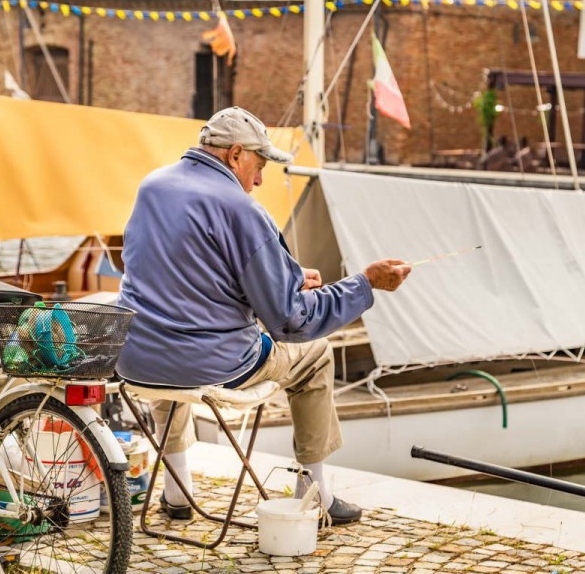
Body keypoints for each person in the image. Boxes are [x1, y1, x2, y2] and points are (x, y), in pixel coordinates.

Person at [116, 106, 412, 526]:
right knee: (316, 356)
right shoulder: (243, 210)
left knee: (167, 341)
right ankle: (317, 494)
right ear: (235, 154)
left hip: (136, 357)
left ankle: (177, 493)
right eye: (258, 165)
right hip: (213, 365)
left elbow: (186, 278)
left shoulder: (152, 186)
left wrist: (288, 276)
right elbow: (292, 324)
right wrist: (364, 284)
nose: (258, 180)